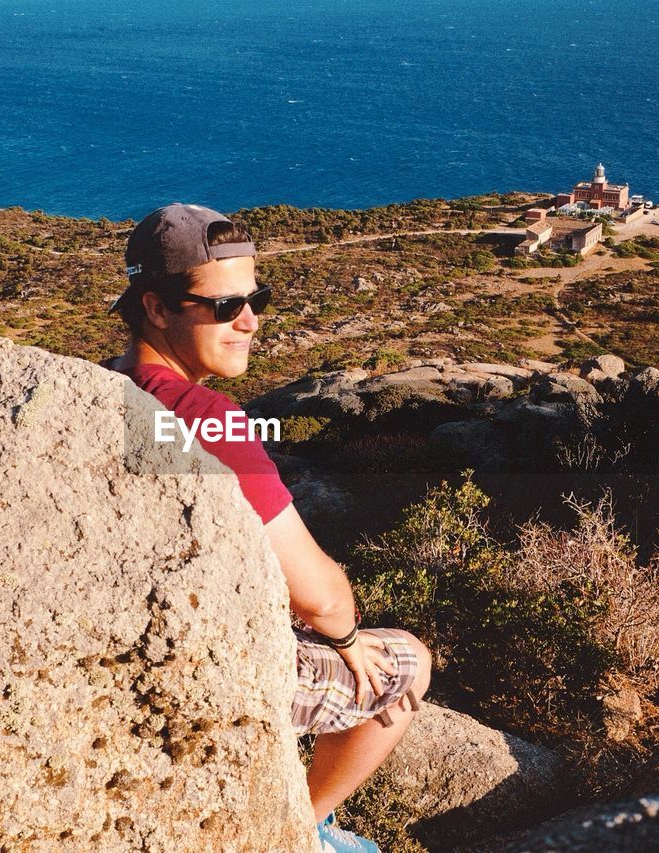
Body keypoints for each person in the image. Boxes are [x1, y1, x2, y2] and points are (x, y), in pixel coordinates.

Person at [102, 204, 431, 853]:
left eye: (258, 298)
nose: (250, 320)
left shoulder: (106, 384)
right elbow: (323, 597)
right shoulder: (204, 417)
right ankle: (293, 831)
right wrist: (348, 636)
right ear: (157, 307)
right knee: (405, 665)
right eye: (225, 306)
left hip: (137, 641)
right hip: (191, 670)